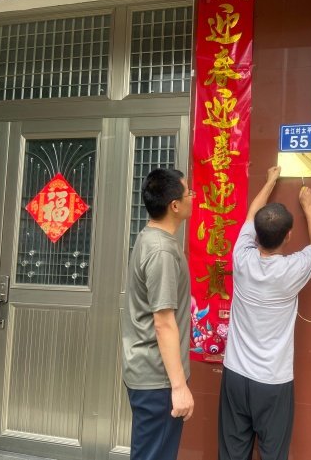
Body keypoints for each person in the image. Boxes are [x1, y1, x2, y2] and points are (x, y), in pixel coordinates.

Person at [218, 166, 311, 460]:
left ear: (255, 234)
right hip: (273, 382)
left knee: (232, 454)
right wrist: (308, 207)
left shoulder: (241, 257)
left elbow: (252, 214)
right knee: (273, 454)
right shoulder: (292, 270)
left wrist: (269, 182)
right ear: (288, 236)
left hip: (235, 375)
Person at [121, 168, 195, 460]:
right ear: (174, 205)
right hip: (158, 379)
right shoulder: (161, 251)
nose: (192, 197)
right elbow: (163, 323)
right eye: (188, 193)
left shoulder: (149, 236)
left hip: (151, 372)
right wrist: (178, 386)